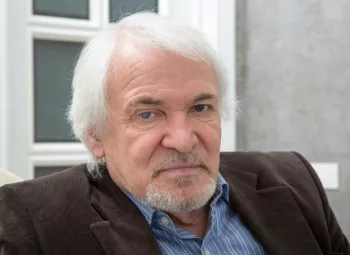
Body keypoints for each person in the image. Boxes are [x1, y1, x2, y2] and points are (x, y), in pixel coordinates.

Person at [0, 12, 349, 255]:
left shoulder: (293, 178)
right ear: (95, 136)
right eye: (148, 114)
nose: (183, 140)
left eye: (201, 108)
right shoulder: (30, 221)